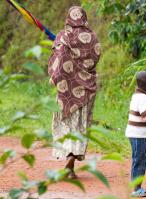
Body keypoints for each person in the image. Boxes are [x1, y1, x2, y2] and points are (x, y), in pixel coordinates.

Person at [48, 6, 100, 179]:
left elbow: (59, 57)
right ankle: (71, 163)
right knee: (80, 125)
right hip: (86, 88)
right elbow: (94, 59)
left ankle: (68, 161)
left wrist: (55, 76)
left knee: (66, 123)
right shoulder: (93, 37)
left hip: (66, 90)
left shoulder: (64, 36)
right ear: (84, 17)